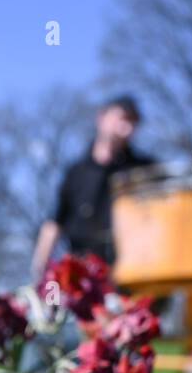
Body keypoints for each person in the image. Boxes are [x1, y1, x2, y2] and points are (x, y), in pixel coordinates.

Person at [31, 96, 156, 278]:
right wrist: (39, 270)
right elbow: (55, 223)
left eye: (133, 123)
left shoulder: (143, 170)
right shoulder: (76, 172)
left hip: (128, 273)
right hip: (81, 276)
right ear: (102, 118)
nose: (127, 129)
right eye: (122, 118)